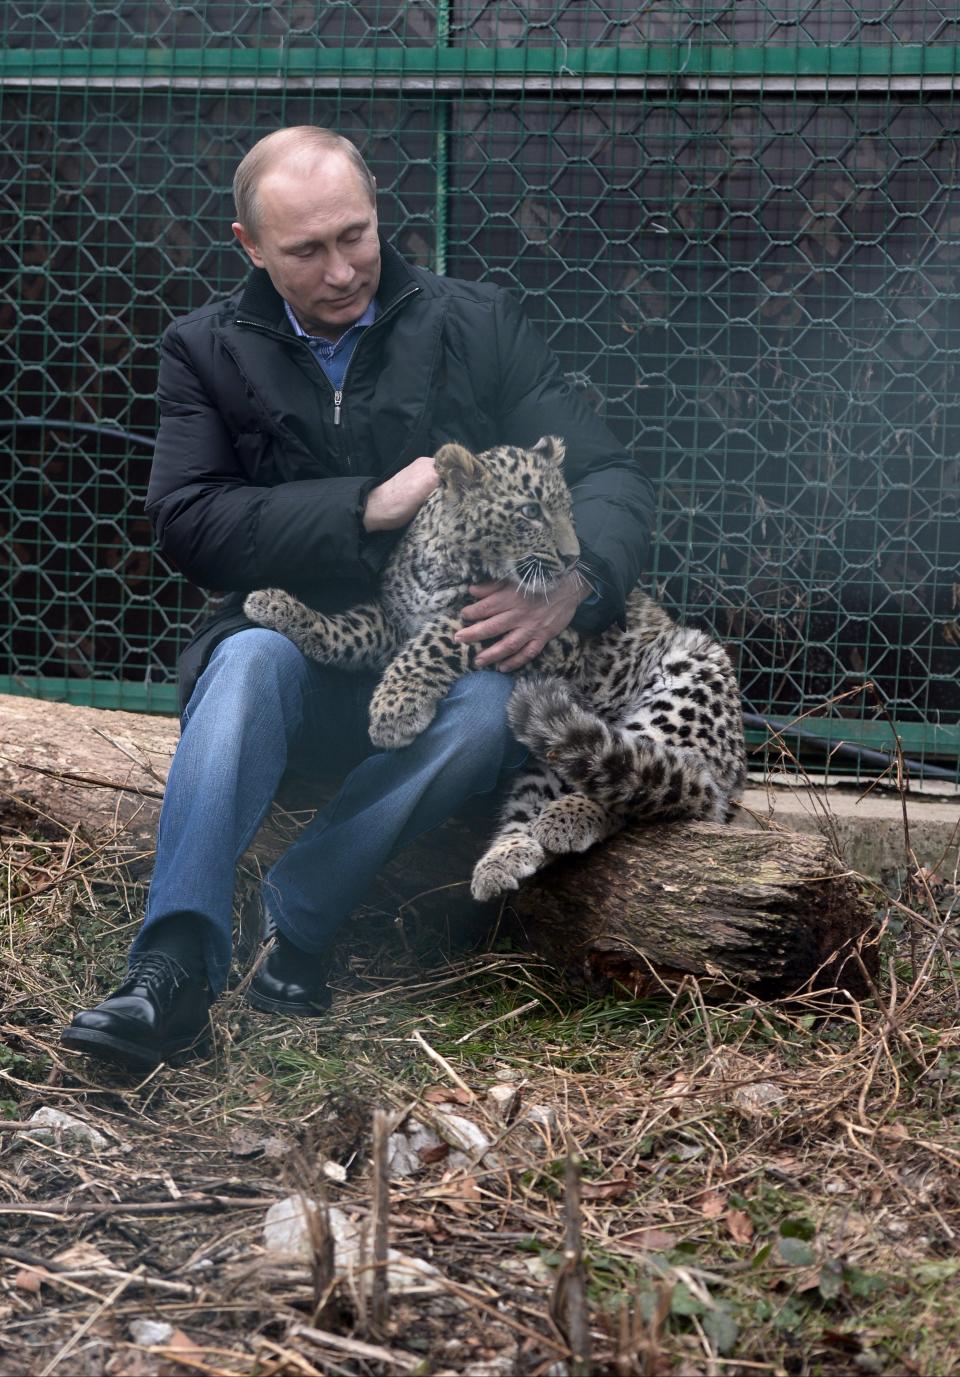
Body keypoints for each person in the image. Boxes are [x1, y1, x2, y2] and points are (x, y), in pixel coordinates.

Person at [61, 126, 656, 1070]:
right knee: (247, 658)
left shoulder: (476, 323)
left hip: (451, 660)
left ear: (380, 214)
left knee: (487, 707)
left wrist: (574, 591)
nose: (342, 271)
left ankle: (298, 919)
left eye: (357, 235)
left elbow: (611, 478)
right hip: (299, 651)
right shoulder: (205, 349)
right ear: (250, 246)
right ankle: (170, 969)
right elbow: (187, 521)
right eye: (306, 250)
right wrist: (364, 507)